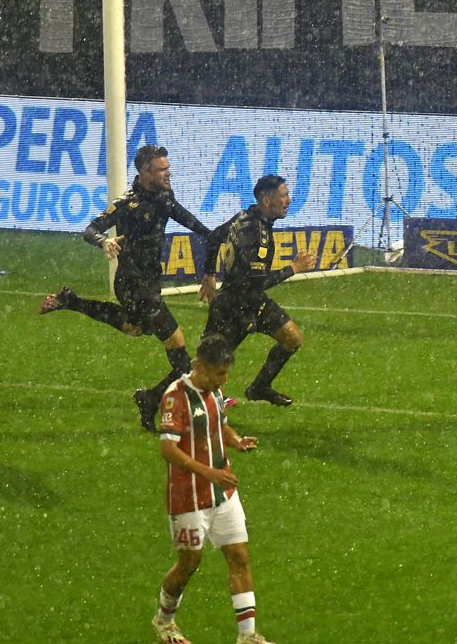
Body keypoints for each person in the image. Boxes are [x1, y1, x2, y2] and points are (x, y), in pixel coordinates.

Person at [39, 145, 218, 432]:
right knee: (182, 357)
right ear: (145, 172)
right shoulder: (128, 202)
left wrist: (212, 234)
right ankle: (161, 402)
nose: (168, 173)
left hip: (148, 283)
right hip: (134, 285)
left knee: (133, 327)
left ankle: (72, 301)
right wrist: (104, 241)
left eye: (167, 167)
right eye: (162, 169)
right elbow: (90, 229)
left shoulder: (164, 196)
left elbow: (186, 218)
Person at [151, 334, 276, 644]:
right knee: (189, 564)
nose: (225, 379)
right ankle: (164, 622)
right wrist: (209, 472)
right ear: (201, 367)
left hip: (222, 494)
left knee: (239, 556)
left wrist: (235, 440)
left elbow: (218, 423)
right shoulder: (175, 397)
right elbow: (168, 449)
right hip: (188, 498)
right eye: (219, 373)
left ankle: (248, 637)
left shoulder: (214, 391)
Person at [199, 175, 316, 407]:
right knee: (207, 366)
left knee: (292, 338)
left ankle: (259, 387)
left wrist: (209, 275)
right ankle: (156, 398)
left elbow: (214, 238)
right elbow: (258, 283)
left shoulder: (245, 215)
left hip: (251, 302)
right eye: (283, 196)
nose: (289, 200)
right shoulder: (258, 236)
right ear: (266, 201)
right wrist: (294, 268)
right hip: (234, 306)